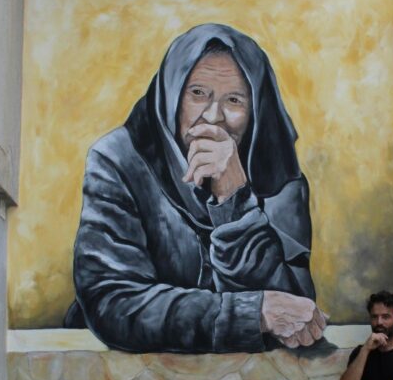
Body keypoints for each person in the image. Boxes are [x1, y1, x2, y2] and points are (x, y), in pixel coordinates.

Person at [63, 23, 327, 353]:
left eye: (234, 100)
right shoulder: (118, 160)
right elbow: (115, 303)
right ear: (172, 95)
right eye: (198, 93)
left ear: (255, 110)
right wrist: (250, 313)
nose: (213, 117)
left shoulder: (275, 172)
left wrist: (235, 202)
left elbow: (297, 313)